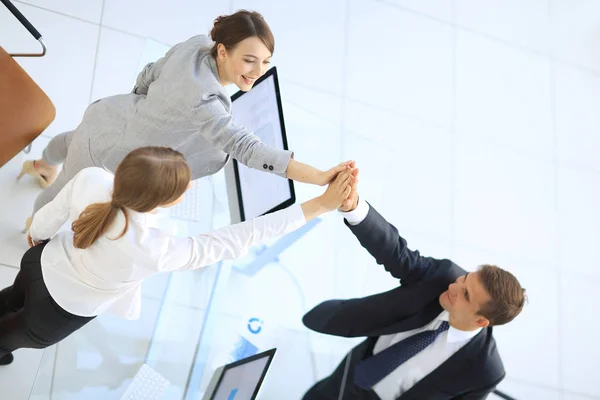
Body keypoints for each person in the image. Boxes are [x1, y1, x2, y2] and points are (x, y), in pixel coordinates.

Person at [0, 146, 355, 366]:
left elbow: (45, 223)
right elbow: (238, 238)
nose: (192, 185)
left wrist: (39, 240)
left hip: (39, 265)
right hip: (59, 311)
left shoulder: (93, 178)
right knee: (8, 336)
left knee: (8, 301)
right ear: (160, 201)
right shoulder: (153, 250)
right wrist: (319, 205)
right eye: (184, 186)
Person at [18, 9, 350, 228]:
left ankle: (42, 163)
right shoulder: (205, 101)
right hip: (109, 154)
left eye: (265, 62)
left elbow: (149, 75)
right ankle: (35, 225)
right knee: (63, 191)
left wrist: (143, 112)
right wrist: (318, 176)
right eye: (249, 60)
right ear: (223, 51)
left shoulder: (197, 45)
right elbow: (247, 148)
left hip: (108, 114)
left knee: (74, 138)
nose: (258, 71)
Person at [302, 168, 527, 400]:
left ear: (481, 320)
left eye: (466, 295)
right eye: (465, 279)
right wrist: (354, 208)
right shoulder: (444, 277)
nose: (454, 287)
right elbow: (395, 253)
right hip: (358, 368)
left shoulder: (485, 371)